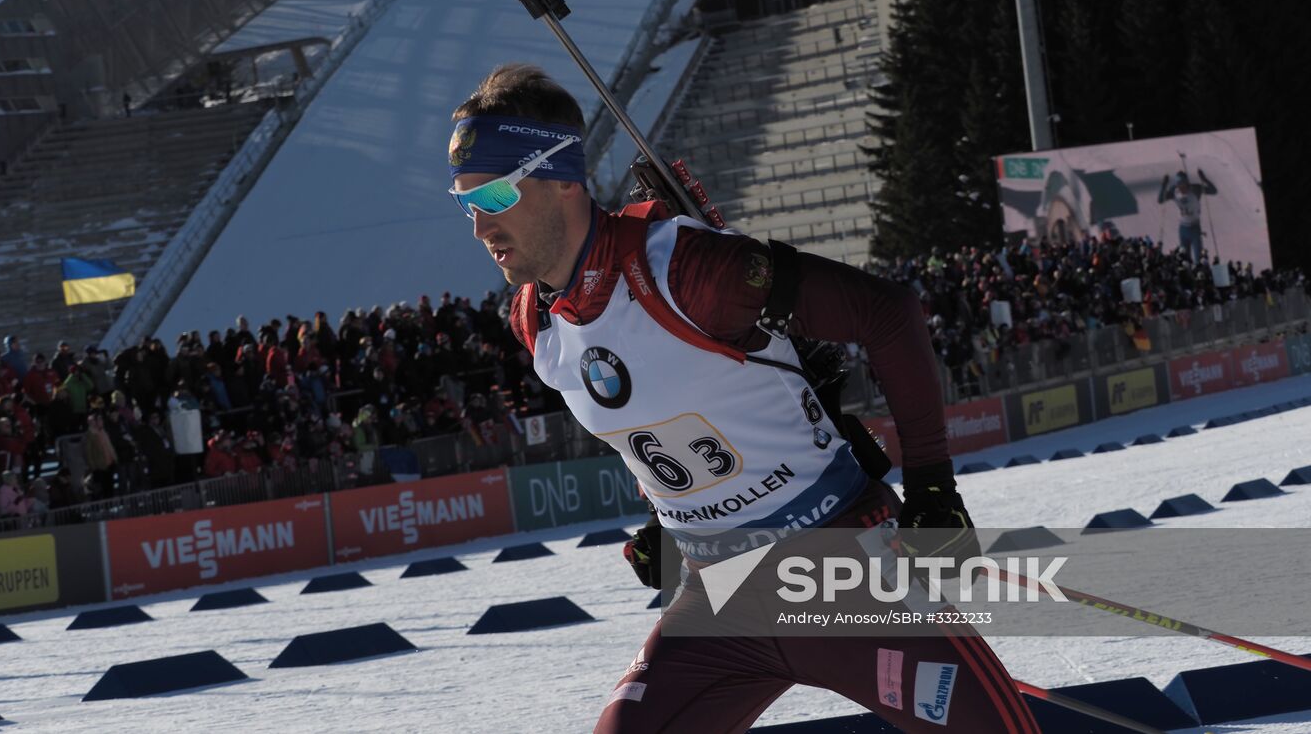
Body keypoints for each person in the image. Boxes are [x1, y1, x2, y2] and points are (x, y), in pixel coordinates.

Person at [445, 64, 1039, 733]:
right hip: (718, 595)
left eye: (492, 196)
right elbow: (657, 417)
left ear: (560, 177)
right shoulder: (538, 320)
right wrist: (663, 522)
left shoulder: (684, 267)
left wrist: (932, 486)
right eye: (464, 202)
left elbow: (888, 312)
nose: (477, 227)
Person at [1158, 168, 1217, 263]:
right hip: (1183, 229)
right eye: (1179, 186)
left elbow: (1213, 191)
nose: (1181, 189)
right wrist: (1164, 185)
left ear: (1187, 183)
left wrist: (1204, 179)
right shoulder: (1174, 191)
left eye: (1183, 185)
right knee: (1185, 259)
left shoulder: (1195, 189)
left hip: (1194, 228)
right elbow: (1160, 200)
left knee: (1199, 259)